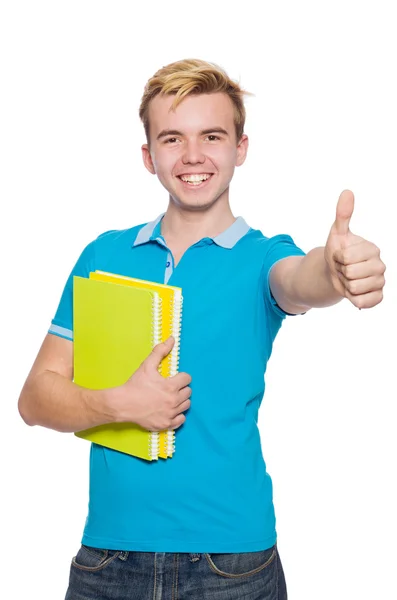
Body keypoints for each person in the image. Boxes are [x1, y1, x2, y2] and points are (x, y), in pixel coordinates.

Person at [18, 58, 386, 600]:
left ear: (240, 148)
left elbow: (301, 280)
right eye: (172, 138)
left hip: (230, 566)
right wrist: (121, 404)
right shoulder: (104, 255)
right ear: (149, 156)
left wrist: (335, 272)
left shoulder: (263, 257)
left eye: (212, 136)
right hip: (107, 563)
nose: (192, 156)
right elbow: (35, 399)